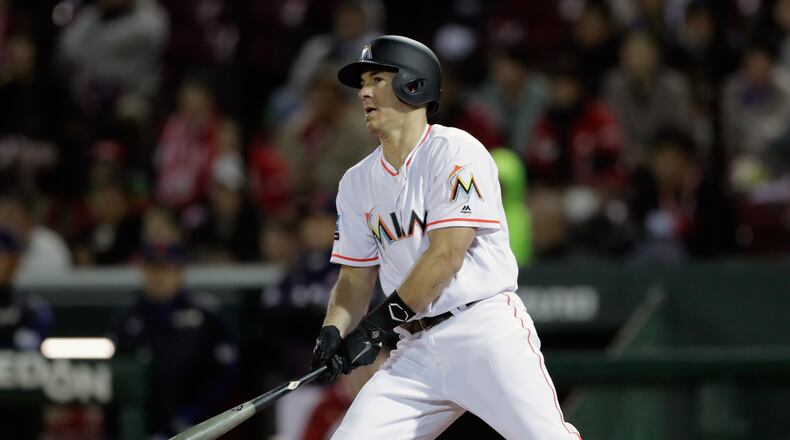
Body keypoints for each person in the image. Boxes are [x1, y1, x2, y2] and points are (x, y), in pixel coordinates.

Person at [309, 35, 581, 439]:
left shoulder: (456, 151)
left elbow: (446, 257)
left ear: (413, 84)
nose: (363, 91)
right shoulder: (356, 182)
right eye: (362, 82)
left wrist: (374, 327)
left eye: (377, 79)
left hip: (482, 330)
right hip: (414, 350)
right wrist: (334, 330)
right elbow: (354, 279)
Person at [108, 241, 238, 438]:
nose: (158, 277)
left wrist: (196, 416)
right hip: (141, 425)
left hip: (202, 427)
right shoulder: (126, 317)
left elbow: (225, 374)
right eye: (152, 268)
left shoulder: (206, 314)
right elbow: (113, 375)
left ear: (180, 273)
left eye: (166, 269)